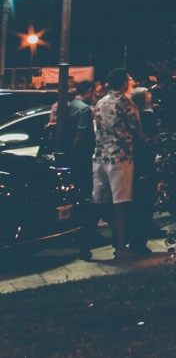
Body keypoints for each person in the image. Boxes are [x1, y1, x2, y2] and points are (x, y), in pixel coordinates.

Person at [91, 68, 147, 259]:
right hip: (120, 159)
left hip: (99, 157)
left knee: (99, 202)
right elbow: (136, 129)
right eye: (130, 79)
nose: (132, 81)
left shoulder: (100, 102)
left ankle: (85, 244)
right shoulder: (126, 102)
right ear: (123, 82)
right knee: (121, 204)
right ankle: (121, 248)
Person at [61, 80, 98, 259]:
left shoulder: (69, 106)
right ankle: (85, 241)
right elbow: (81, 136)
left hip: (69, 159)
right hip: (81, 161)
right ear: (89, 91)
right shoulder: (84, 109)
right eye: (94, 91)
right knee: (86, 199)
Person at [130, 86, 160, 245]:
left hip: (133, 161)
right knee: (146, 198)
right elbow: (152, 139)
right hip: (146, 161)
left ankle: (135, 235)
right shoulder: (148, 117)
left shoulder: (131, 117)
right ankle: (142, 236)